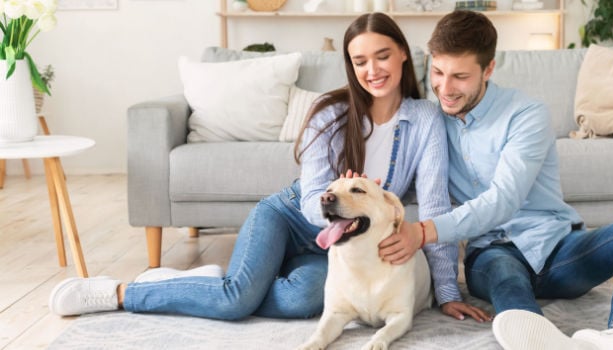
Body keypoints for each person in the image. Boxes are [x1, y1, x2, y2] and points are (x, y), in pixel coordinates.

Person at [49, 12, 489, 323]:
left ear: (403, 57)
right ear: (351, 68)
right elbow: (316, 195)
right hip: (294, 216)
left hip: (347, 242)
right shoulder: (329, 113)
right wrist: (342, 205)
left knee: (302, 300)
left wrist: (448, 292)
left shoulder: (426, 119)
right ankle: (122, 292)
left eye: (383, 55)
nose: (372, 70)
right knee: (235, 301)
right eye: (360, 61)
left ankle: (226, 279)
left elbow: (434, 203)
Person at [377, 10, 613, 350]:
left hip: (556, 250)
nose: (445, 88)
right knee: (505, 276)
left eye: (460, 76)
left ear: (488, 69)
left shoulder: (526, 113)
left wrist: (422, 232)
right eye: (438, 72)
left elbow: (505, 200)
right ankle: (540, 340)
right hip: (490, 254)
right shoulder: (431, 121)